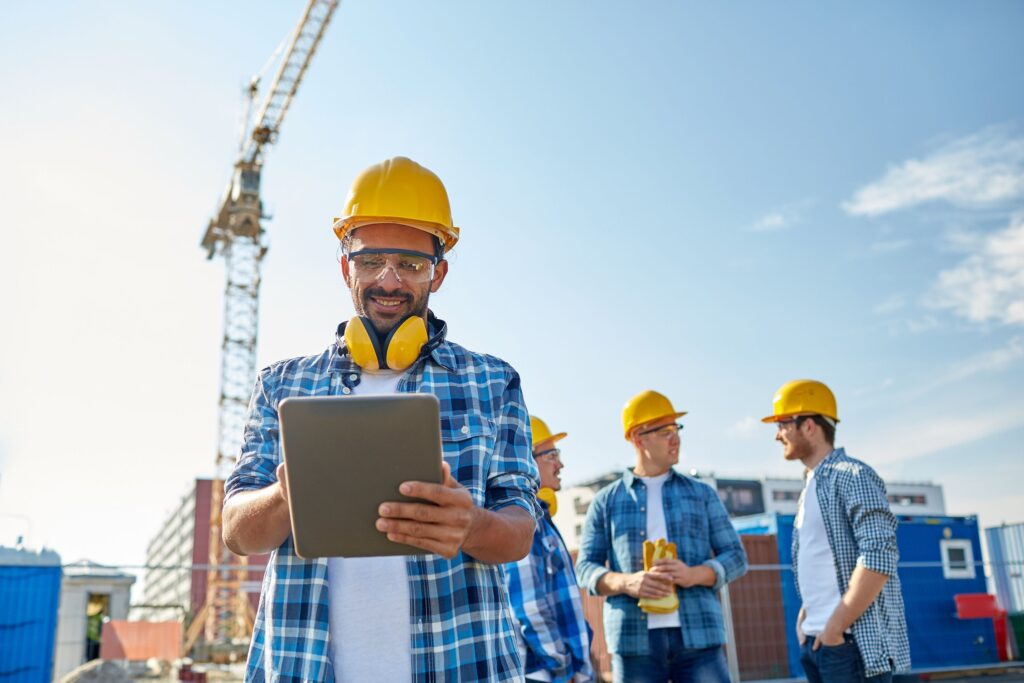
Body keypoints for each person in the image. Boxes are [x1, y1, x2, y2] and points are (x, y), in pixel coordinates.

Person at [222, 156, 541, 682]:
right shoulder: (282, 385)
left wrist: (472, 525)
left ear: (438, 272)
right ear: (345, 268)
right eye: (370, 260)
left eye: (410, 264)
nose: (388, 280)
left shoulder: (493, 382)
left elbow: (520, 531)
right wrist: (285, 495)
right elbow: (237, 532)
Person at [576, 390, 748, 683]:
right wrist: (627, 582)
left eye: (676, 429)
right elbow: (584, 568)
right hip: (633, 640)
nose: (675, 439)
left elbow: (736, 557)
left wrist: (693, 574)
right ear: (638, 438)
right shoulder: (606, 501)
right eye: (665, 431)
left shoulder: (702, 494)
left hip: (699, 636)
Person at [762, 379, 910, 682]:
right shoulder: (811, 484)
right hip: (817, 641)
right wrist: (807, 615)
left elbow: (879, 555)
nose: (777, 435)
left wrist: (835, 628)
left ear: (809, 426)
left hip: (849, 645)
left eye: (783, 424)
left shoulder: (853, 476)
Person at [504, 416, 595, 683]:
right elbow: (529, 606)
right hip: (545, 674)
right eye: (551, 455)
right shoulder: (524, 520)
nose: (560, 463)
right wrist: (563, 667)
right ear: (527, 459)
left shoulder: (542, 520)